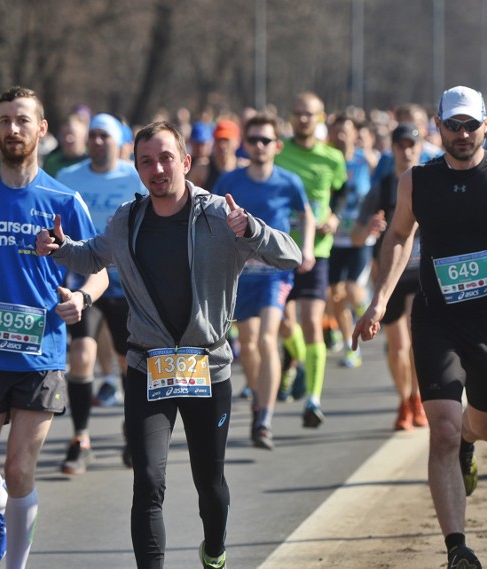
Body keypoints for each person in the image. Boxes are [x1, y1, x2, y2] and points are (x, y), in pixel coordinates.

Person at [35, 121, 301, 568]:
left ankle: (213, 550)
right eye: (146, 161)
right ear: (136, 167)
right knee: (148, 482)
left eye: (165, 159)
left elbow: (291, 255)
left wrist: (251, 230)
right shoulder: (128, 218)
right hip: (148, 366)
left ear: (186, 162)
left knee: (210, 483)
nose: (157, 169)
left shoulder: (220, 215)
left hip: (207, 365)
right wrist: (60, 247)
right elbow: (94, 255)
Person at [352, 86, 487, 569]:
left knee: (483, 428)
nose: (463, 134)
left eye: (472, 125)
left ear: (486, 126)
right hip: (437, 318)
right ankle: (457, 548)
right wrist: (380, 300)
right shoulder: (417, 182)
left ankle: (471, 444)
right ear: (440, 126)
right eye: (454, 125)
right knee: (443, 430)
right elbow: (397, 239)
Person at [0, 86, 108, 568]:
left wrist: (82, 296)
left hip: (41, 354)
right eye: (5, 120)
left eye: (23, 120)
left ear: (41, 129)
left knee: (20, 468)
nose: (13, 129)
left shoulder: (63, 199)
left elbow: (101, 266)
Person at [212, 112, 315, 449]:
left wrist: (307, 249)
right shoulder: (229, 181)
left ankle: (265, 417)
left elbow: (306, 214)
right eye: (253, 139)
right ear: (245, 144)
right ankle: (259, 397)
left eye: (265, 140)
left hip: (274, 273)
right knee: (249, 343)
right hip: (240, 274)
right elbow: (210, 217)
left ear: (277, 146)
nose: (259, 146)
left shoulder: (288, 181)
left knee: (268, 337)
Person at [56, 112, 146, 473]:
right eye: (91, 135)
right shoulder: (68, 177)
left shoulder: (133, 175)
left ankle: (132, 433)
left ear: (118, 141)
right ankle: (80, 438)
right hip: (85, 278)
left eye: (103, 136)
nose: (96, 142)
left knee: (129, 362)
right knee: (81, 355)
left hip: (126, 284)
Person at [274, 92, 347, 427]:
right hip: (280, 249)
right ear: (291, 117)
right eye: (299, 113)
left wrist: (334, 217)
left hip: (317, 250)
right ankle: (301, 364)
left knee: (312, 322)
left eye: (310, 114)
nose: (304, 119)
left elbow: (342, 192)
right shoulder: (278, 153)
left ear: (321, 118)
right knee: (286, 325)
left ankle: (314, 400)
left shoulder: (332, 157)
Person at [352, 123, 427, 431]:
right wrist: (368, 230)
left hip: (422, 272)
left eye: (412, 145)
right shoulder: (382, 187)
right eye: (401, 145)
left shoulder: (429, 182)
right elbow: (356, 237)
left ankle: (418, 398)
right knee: (397, 345)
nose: (407, 151)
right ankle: (404, 400)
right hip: (389, 275)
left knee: (416, 341)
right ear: (393, 149)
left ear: (420, 148)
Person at [326, 113, 374, 369]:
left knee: (354, 290)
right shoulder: (327, 160)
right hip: (333, 238)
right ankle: (349, 345)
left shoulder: (366, 161)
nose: (341, 136)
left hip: (360, 237)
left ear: (355, 134)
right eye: (337, 131)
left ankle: (369, 311)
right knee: (335, 295)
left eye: (346, 131)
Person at [188, 118, 242, 190]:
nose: (222, 145)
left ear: (237, 142)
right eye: (218, 140)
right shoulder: (202, 169)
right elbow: (186, 196)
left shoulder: (244, 169)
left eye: (226, 140)